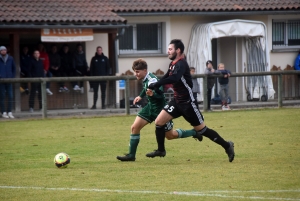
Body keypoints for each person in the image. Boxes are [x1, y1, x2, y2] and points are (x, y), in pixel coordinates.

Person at [147, 39, 235, 162]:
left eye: (170, 49)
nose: (168, 51)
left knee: (203, 130)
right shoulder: (173, 64)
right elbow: (168, 75)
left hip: (188, 103)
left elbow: (175, 77)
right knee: (159, 122)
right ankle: (161, 150)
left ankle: (227, 145)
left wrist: (156, 84)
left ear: (178, 50)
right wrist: (156, 85)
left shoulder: (182, 64)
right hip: (177, 101)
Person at [116, 59, 175, 161]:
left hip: (160, 111)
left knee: (170, 135)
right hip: (150, 107)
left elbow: (161, 95)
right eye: (135, 71)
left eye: (137, 72)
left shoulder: (153, 80)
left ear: (145, 70)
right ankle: (131, 155)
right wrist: (141, 96)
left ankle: (194, 132)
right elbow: (146, 88)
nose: (136, 74)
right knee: (134, 127)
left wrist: (153, 94)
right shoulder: (146, 79)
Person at [0, 46, 16, 118]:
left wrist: (12, 77)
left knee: (10, 96)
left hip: (9, 79)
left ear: (6, 51)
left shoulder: (10, 58)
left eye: (4, 50)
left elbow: (14, 68)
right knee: (2, 96)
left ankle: (9, 111)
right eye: (2, 50)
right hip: (1, 80)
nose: (3, 51)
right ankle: (3, 112)